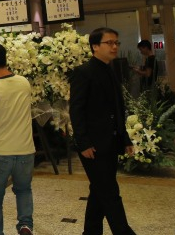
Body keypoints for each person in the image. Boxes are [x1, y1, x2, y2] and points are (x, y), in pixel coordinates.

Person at [69, 27, 138, 235]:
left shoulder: (111, 69)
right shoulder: (83, 72)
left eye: (116, 42)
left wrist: (124, 138)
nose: (114, 46)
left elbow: (117, 108)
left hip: (110, 141)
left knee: (99, 190)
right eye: (109, 43)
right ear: (95, 46)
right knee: (110, 192)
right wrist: (83, 142)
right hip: (92, 145)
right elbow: (76, 110)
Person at [0, 42, 35, 235]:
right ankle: (25, 225)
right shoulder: (24, 83)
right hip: (25, 150)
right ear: (5, 59)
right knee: (24, 190)